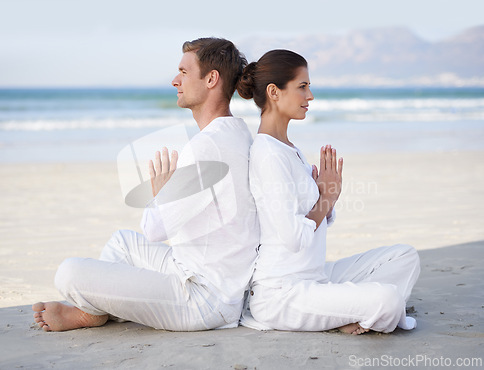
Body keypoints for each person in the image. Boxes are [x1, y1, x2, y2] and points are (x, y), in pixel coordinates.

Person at [33, 38, 260, 332]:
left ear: (211, 79)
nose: (175, 80)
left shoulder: (206, 148)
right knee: (122, 243)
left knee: (68, 273)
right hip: (208, 277)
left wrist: (160, 192)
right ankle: (97, 310)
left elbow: (155, 231)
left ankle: (92, 312)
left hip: (203, 300)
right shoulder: (238, 132)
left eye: (184, 72)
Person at [237, 49, 420, 334]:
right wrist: (326, 198)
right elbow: (294, 238)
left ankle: (344, 311)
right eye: (303, 86)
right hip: (284, 294)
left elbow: (317, 219)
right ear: (274, 92)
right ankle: (349, 316)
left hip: (317, 276)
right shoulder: (268, 155)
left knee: (404, 256)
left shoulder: (289, 149)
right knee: (387, 299)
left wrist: (325, 196)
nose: (310, 96)